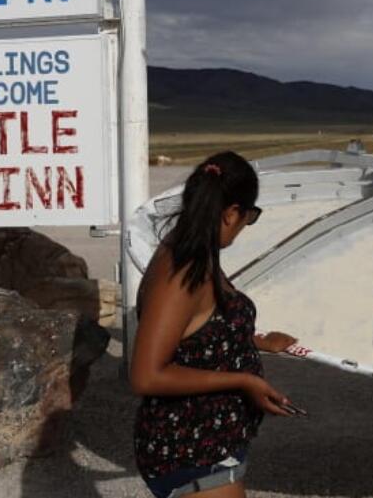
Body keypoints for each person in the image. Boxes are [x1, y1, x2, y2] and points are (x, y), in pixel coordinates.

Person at [130, 151, 299, 498]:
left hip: (209, 446)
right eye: (249, 216)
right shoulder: (182, 271)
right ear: (231, 213)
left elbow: (196, 329)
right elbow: (146, 374)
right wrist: (245, 380)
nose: (245, 225)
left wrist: (253, 340)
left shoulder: (197, 250)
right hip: (190, 452)